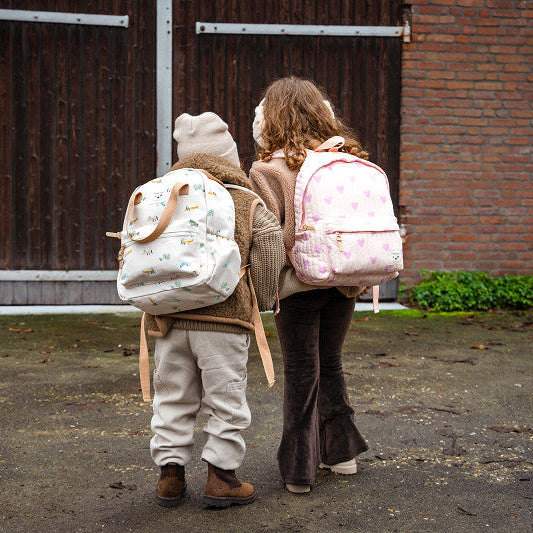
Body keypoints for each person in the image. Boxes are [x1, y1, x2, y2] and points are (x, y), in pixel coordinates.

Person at [145, 112, 285, 508]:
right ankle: (221, 479)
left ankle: (169, 477)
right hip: (224, 320)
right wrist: (262, 295)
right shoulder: (242, 197)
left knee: (172, 396)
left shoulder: (159, 192)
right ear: (229, 156)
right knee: (225, 400)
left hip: (168, 317)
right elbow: (271, 242)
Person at [249, 77, 369, 493]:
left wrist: (264, 290)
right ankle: (343, 456)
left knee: (301, 372)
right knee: (331, 363)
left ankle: (299, 472)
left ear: (271, 119)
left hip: (299, 285)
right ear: (323, 113)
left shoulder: (268, 169)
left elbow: (270, 237)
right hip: (345, 280)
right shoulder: (345, 159)